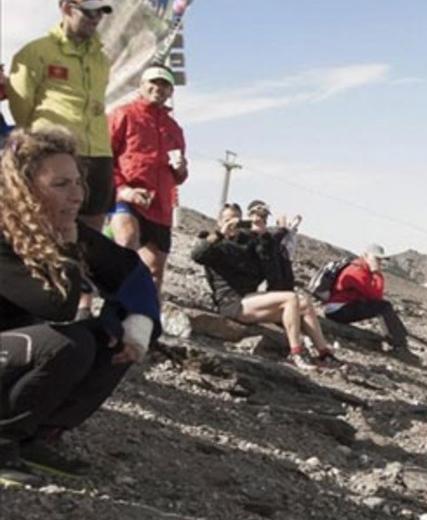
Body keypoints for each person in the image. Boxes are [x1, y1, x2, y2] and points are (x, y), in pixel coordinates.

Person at [1, 128, 159, 487]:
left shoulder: (61, 225)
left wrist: (135, 329)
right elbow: (57, 306)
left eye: (77, 182)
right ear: (23, 188)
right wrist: (69, 252)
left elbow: (131, 271)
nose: (77, 195)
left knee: (110, 340)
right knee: (66, 344)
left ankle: (33, 437)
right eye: (60, 184)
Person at [6, 1, 115, 232]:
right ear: (66, 8)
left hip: (99, 154)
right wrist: (42, 145)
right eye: (89, 11)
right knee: (46, 228)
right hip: (53, 153)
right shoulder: (35, 52)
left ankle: (84, 269)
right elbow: (20, 107)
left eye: (101, 12)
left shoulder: (102, 61)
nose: (96, 18)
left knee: (93, 235)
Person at [190, 215, 338, 370]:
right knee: (291, 299)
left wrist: (264, 236)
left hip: (249, 300)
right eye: (227, 220)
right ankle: (296, 354)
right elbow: (198, 254)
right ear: (220, 222)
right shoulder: (215, 245)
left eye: (236, 220)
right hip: (232, 303)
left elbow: (272, 273)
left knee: (303, 302)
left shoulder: (247, 244)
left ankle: (324, 354)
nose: (232, 225)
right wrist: (220, 233)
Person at [108, 65, 188, 291]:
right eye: (153, 83)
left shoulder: (174, 128)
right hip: (126, 196)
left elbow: (179, 176)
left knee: (154, 272)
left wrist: (181, 170)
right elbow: (105, 156)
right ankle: (109, 315)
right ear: (141, 86)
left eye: (165, 85)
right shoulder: (122, 114)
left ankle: (146, 321)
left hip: (160, 206)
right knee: (126, 246)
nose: (158, 88)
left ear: (171, 91)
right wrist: (123, 189)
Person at [322, 244, 412, 355]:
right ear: (365, 255)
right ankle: (399, 345)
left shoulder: (360, 268)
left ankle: (400, 341)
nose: (379, 262)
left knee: (382, 306)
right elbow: (375, 296)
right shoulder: (357, 271)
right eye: (376, 259)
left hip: (340, 308)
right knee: (383, 307)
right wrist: (377, 274)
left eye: (380, 260)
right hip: (338, 310)